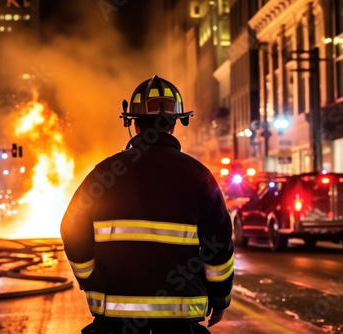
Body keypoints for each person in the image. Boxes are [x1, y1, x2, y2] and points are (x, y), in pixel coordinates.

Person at [61, 76, 233, 334]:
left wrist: (89, 277)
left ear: (134, 124)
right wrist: (219, 297)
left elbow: (71, 228)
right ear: (175, 124)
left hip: (114, 322)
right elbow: (218, 244)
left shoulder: (106, 173)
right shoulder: (199, 176)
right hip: (180, 321)